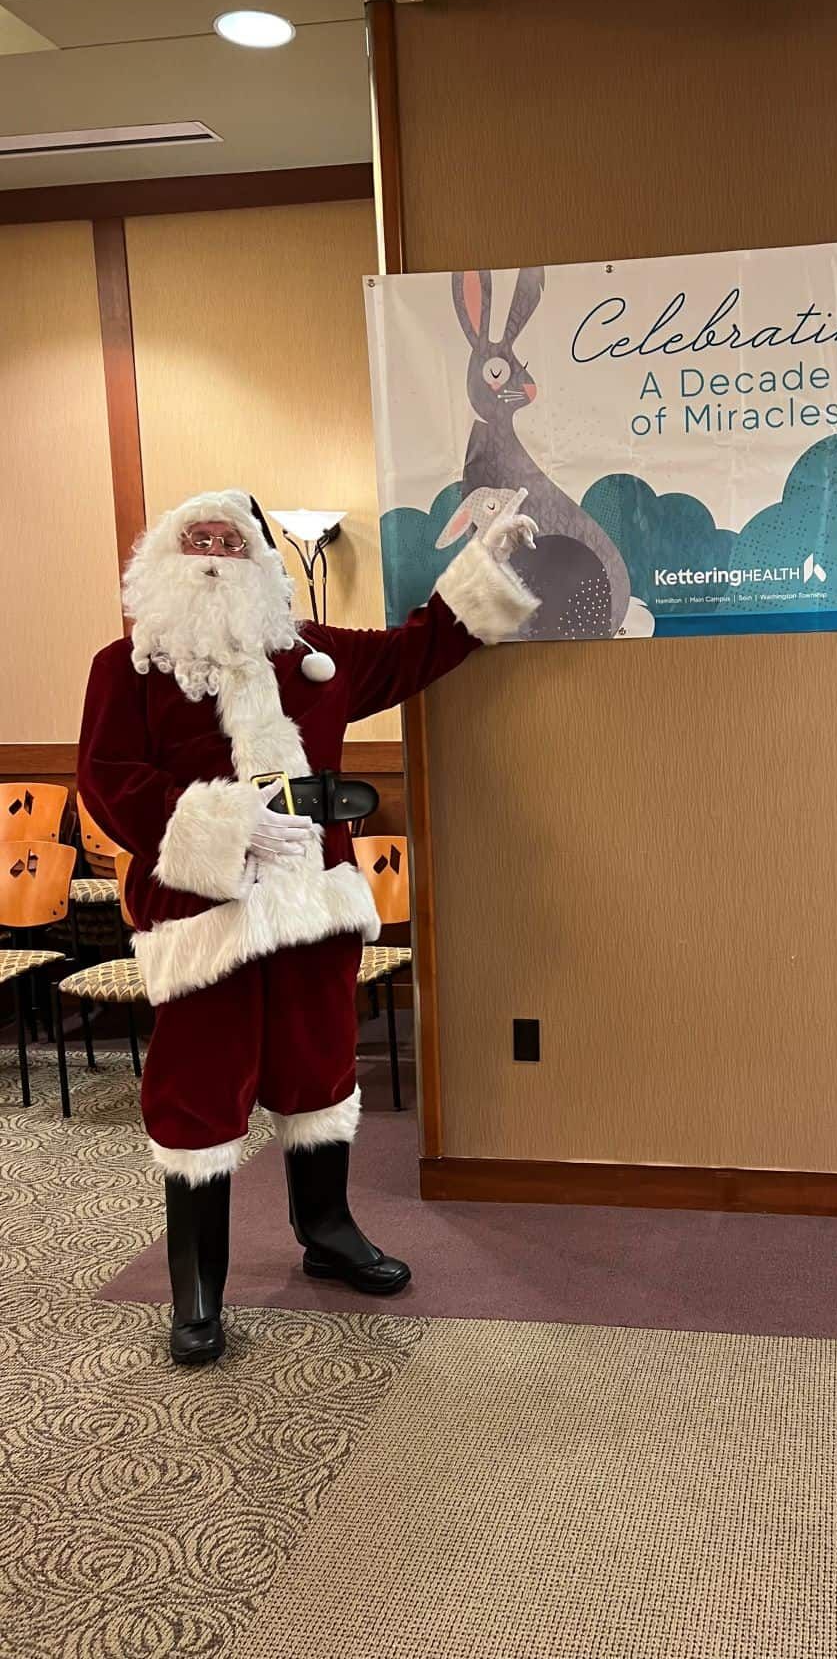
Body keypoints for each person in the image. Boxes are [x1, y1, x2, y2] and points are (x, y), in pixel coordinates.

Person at [77, 489, 538, 1364]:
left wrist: (488, 566)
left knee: (319, 1071)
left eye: (230, 539)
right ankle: (197, 1282)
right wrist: (221, 827)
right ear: (160, 561)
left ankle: (326, 1229)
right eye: (195, 537)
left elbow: (419, 650)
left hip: (313, 902)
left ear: (261, 563)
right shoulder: (124, 668)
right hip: (203, 908)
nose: (213, 551)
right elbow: (105, 777)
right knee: (198, 1093)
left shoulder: (312, 654)